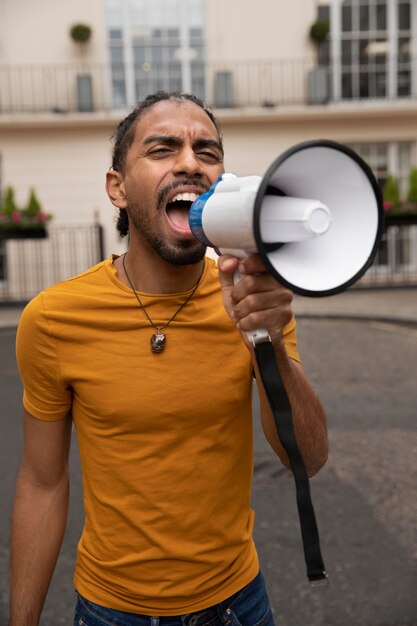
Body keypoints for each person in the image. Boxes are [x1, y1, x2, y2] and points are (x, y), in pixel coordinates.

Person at [10, 91, 328, 626]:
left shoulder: (255, 297)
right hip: (111, 611)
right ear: (117, 188)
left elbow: (309, 459)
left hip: (238, 604)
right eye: (162, 149)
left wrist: (263, 338)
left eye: (208, 152)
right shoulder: (54, 319)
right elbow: (42, 483)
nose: (189, 163)